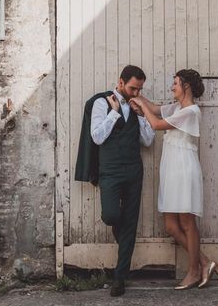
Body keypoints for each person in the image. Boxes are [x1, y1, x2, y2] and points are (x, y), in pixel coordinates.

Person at [130, 69, 218, 290]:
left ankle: (193, 272)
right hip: (171, 168)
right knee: (171, 226)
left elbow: (157, 124)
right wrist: (135, 95)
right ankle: (205, 262)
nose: (172, 87)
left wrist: (140, 106)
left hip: (183, 167)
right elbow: (153, 109)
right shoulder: (176, 108)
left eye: (175, 83)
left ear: (186, 86)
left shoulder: (190, 111)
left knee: (187, 223)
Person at [85, 65, 154, 297]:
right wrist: (114, 113)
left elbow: (148, 141)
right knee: (112, 215)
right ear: (121, 82)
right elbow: (96, 137)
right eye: (133, 88)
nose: (136, 92)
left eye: (139, 89)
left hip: (134, 170)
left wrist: (142, 115)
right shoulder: (101, 103)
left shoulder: (137, 105)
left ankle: (120, 276)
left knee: (131, 223)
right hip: (111, 171)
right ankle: (122, 242)